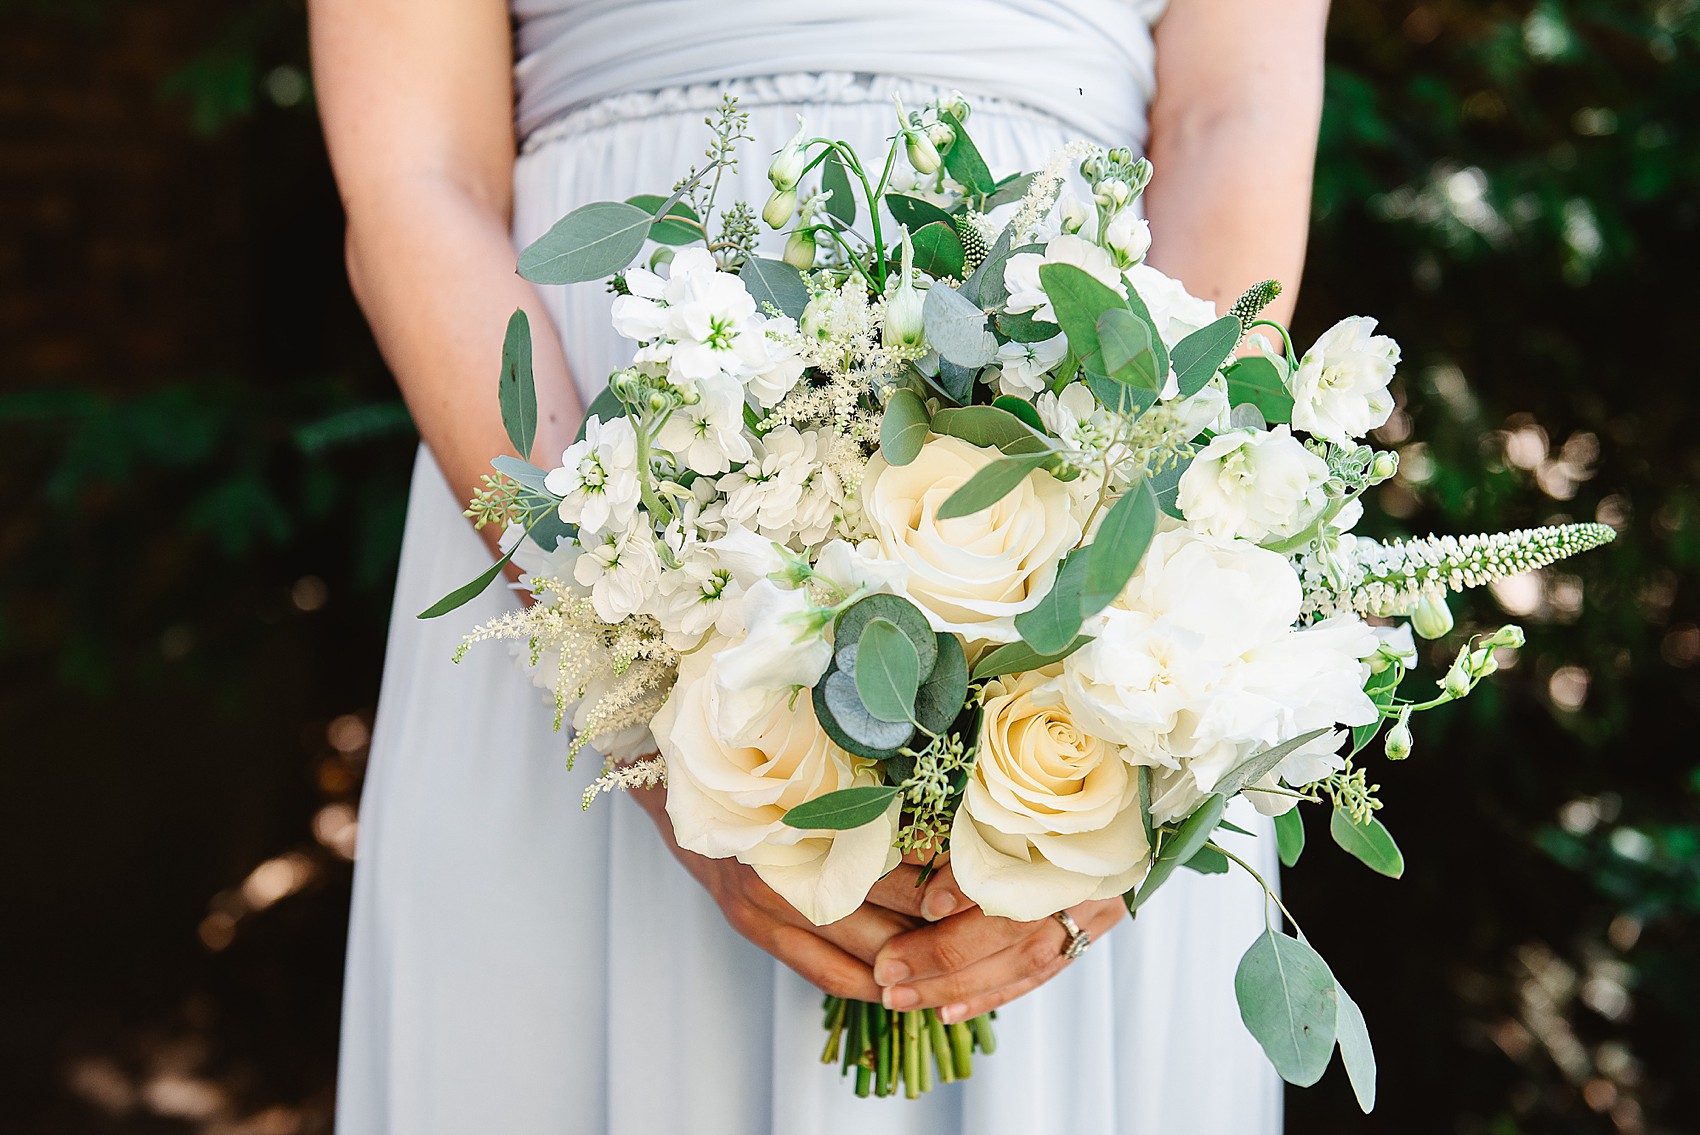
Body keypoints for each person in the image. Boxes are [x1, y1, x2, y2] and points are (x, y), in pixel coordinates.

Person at [310, 1, 1331, 1131]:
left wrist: (1131, 700)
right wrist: (631, 680)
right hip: (584, 452)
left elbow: (1230, 121)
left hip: (1083, 391)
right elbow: (420, 174)